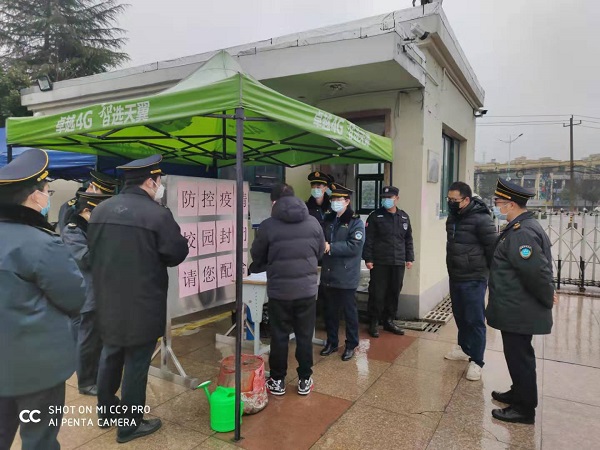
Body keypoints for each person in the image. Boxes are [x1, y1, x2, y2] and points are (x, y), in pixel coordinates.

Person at [88, 154, 189, 442]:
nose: (160, 186)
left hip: (107, 298)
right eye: (158, 181)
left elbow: (92, 250)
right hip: (142, 303)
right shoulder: (157, 215)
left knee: (110, 353)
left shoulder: (100, 210)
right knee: (136, 362)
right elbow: (175, 253)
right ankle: (130, 424)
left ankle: (107, 411)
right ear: (150, 182)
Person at [0, 149, 86, 450]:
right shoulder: (42, 244)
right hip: (37, 367)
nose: (48, 196)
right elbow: (74, 297)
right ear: (33, 196)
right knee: (40, 440)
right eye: (47, 191)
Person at [486, 178, 555, 424]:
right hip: (516, 306)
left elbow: (536, 272)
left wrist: (547, 297)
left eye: (498, 202)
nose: (496, 206)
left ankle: (524, 409)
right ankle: (519, 392)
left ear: (511, 204)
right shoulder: (520, 227)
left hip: (519, 309)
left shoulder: (522, 232)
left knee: (520, 357)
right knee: (516, 355)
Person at [250, 183, 325, 396]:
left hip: (280, 292)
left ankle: (278, 381)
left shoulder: (268, 226)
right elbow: (320, 252)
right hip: (306, 291)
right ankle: (304, 379)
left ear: (274, 201)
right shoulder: (313, 222)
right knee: (304, 336)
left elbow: (257, 256)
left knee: (280, 336)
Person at [61, 192, 114, 396]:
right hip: (86, 294)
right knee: (87, 339)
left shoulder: (90, 228)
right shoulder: (72, 231)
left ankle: (97, 376)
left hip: (99, 292)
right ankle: (85, 382)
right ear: (86, 211)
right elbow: (86, 258)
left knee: (97, 338)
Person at [444, 181, 497, 381]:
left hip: (474, 277)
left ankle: (477, 360)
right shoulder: (453, 217)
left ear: (466, 200)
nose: (450, 203)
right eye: (448, 199)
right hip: (456, 275)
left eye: (454, 200)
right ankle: (464, 348)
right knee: (460, 315)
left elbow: (493, 250)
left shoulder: (482, 219)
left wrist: (491, 277)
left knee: (474, 319)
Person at [319, 184, 365, 361]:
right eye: (333, 199)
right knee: (330, 312)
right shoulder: (328, 219)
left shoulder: (355, 222)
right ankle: (332, 342)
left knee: (349, 312)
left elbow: (355, 246)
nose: (335, 202)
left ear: (347, 201)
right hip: (328, 273)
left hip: (346, 275)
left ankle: (351, 344)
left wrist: (331, 247)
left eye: (339, 199)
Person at [363, 186, 414, 337]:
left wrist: (409, 258)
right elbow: (369, 239)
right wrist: (368, 258)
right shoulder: (375, 216)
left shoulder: (403, 217)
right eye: (384, 198)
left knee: (394, 292)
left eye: (389, 197)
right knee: (377, 293)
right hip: (380, 262)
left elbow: (408, 239)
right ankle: (374, 322)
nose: (386, 200)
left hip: (398, 261)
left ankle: (389, 321)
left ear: (397, 199)